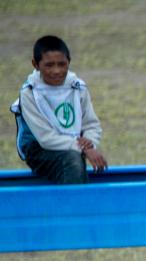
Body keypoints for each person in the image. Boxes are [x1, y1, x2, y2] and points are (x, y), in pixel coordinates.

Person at [11, 36, 107, 184]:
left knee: (73, 156)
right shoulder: (29, 93)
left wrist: (90, 143)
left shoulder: (78, 87)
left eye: (62, 64)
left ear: (69, 62)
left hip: (73, 146)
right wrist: (83, 148)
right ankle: (75, 205)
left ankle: (75, 202)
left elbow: (91, 124)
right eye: (49, 65)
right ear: (35, 64)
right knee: (72, 158)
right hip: (38, 149)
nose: (56, 71)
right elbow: (45, 138)